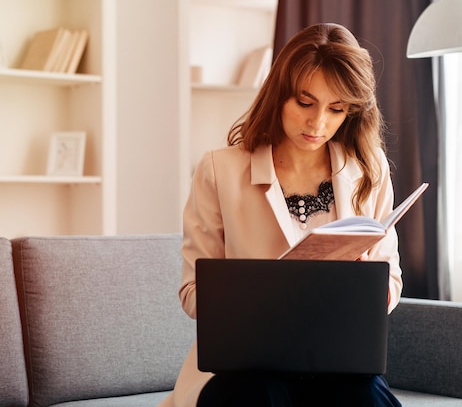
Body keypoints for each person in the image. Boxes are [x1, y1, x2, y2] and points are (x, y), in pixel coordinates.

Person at [160, 23, 403, 407]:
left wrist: (366, 287)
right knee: (257, 397)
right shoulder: (219, 170)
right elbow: (192, 292)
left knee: (366, 400)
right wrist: (255, 299)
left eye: (336, 109)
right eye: (305, 103)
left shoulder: (368, 171)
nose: (318, 123)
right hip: (246, 367)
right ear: (279, 96)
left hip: (335, 362)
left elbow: (391, 279)